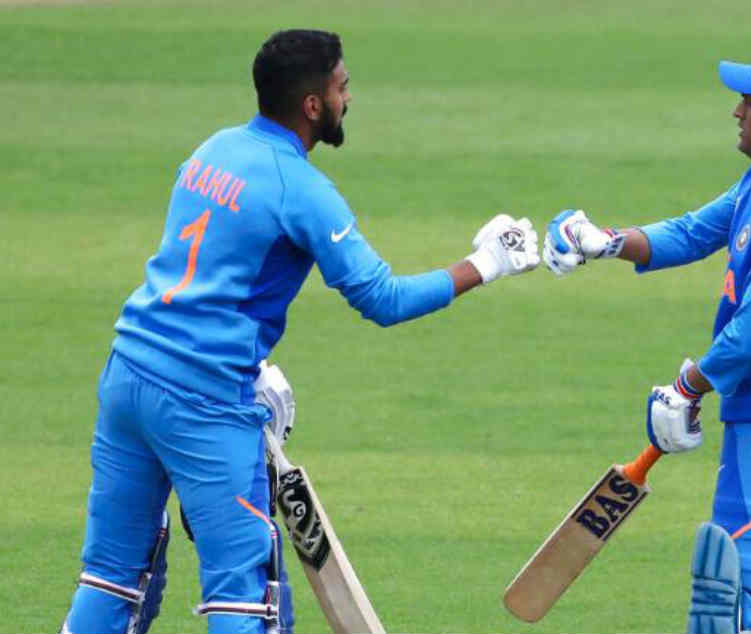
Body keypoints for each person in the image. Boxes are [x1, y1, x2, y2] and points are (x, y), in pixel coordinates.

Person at [62, 29, 539, 634]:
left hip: (127, 374)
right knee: (243, 596)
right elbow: (384, 299)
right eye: (342, 87)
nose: (349, 98)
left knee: (111, 576)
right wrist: (489, 262)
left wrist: (249, 365)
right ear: (313, 104)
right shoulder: (303, 190)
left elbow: (207, 268)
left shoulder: (213, 149)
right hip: (202, 402)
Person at [542, 49, 751, 634]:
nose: (737, 111)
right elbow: (694, 231)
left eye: (750, 103)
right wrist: (605, 241)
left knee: (741, 608)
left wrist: (686, 388)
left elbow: (750, 340)